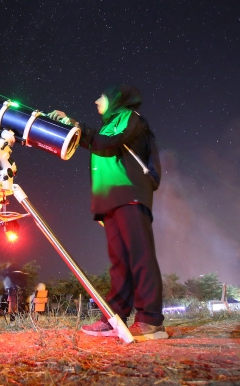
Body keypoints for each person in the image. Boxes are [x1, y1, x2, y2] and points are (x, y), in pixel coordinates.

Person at [48, 84, 166, 341]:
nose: (95, 101)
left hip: (130, 195)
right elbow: (99, 142)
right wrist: (70, 123)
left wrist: (76, 124)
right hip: (111, 201)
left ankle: (150, 321)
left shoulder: (128, 118)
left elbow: (108, 143)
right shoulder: (107, 125)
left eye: (100, 96)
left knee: (140, 257)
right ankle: (115, 318)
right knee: (119, 262)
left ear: (115, 100)